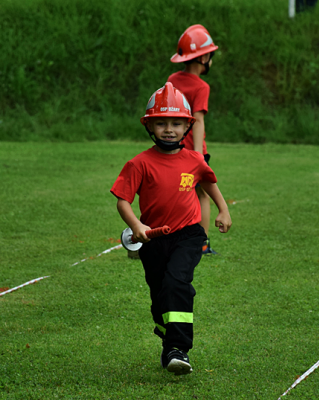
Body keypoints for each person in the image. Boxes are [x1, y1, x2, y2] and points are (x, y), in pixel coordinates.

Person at [111, 82, 232, 375]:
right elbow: (123, 202)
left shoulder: (194, 160)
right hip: (152, 238)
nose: (169, 129)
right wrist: (137, 225)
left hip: (189, 235)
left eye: (176, 123)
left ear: (187, 127)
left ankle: (178, 349)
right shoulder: (139, 163)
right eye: (161, 123)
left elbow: (208, 181)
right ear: (150, 127)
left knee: (178, 283)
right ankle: (167, 335)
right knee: (159, 293)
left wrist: (223, 209)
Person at [168, 24, 220, 255]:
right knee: (202, 194)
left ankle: (171, 236)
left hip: (172, 147)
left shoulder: (172, 79)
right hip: (193, 151)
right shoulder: (201, 86)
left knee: (174, 192)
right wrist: (198, 153)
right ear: (204, 57)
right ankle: (202, 243)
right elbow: (197, 120)